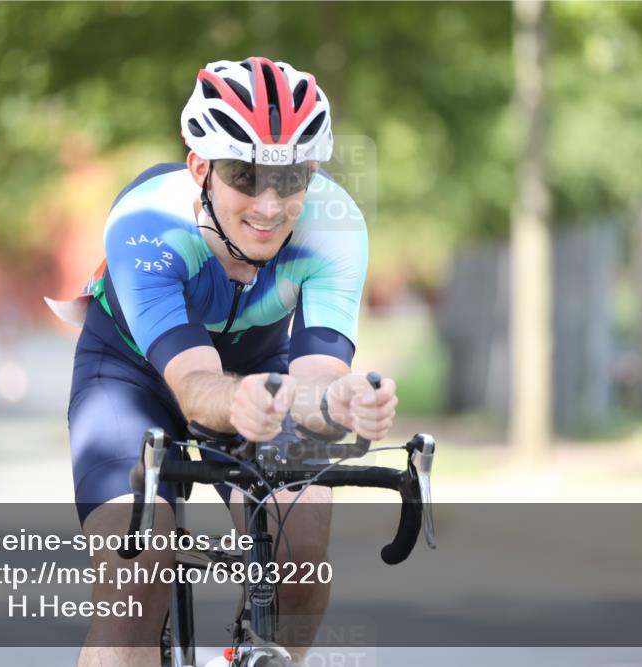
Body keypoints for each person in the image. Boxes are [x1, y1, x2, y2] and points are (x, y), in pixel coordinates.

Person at [58, 57, 398, 667]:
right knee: (135, 575)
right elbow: (193, 386)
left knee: (303, 547)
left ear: (313, 173)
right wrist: (240, 403)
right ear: (200, 168)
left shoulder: (335, 227)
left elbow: (316, 375)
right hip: (130, 376)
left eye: (291, 178)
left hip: (260, 380)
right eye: (244, 175)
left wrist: (338, 402)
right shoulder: (146, 222)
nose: (270, 206)